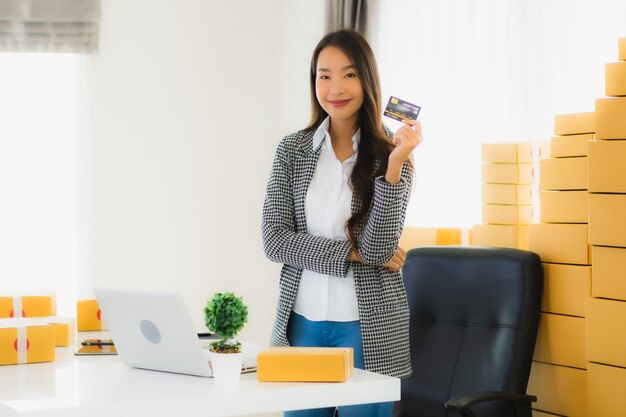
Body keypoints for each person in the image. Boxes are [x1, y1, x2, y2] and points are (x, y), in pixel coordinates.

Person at [262, 29, 422, 417]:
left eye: (349, 74)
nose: (335, 87)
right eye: (324, 75)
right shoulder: (292, 150)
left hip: (366, 328)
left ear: (367, 80)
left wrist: (395, 165)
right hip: (302, 323)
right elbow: (274, 240)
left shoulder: (391, 153)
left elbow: (380, 250)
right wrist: (351, 253)